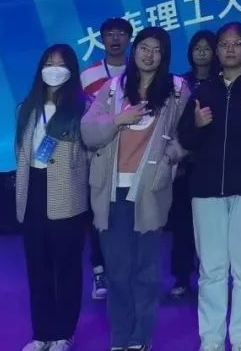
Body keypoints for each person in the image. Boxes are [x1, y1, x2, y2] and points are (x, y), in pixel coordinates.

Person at [82, 26, 190, 351]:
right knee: (117, 272)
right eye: (144, 47)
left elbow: (187, 135)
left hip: (149, 192)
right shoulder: (114, 88)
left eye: (157, 50)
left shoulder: (176, 90)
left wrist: (171, 156)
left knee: (145, 272)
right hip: (111, 191)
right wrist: (118, 120)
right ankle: (120, 337)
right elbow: (88, 131)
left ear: (164, 55)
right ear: (135, 50)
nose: (149, 55)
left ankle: (140, 338)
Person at [177, 22, 241, 351]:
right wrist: (196, 125)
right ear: (216, 50)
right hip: (206, 190)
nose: (230, 49)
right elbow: (186, 139)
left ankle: (240, 339)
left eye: (237, 43)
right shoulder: (203, 89)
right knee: (211, 269)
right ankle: (210, 339)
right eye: (224, 44)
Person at [16, 44, 90, 351]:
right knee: (38, 268)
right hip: (33, 191)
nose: (54, 69)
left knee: (67, 268)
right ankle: (42, 333)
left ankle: (64, 333)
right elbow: (21, 153)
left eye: (60, 64)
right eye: (48, 63)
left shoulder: (82, 108)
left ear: (71, 70)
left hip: (68, 196)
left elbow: (90, 153)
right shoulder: (26, 108)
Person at [80, 16, 133, 300]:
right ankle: (99, 270)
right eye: (110, 33)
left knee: (129, 218)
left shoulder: (139, 71)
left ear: (129, 39)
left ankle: (127, 272)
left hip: (132, 155)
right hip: (98, 155)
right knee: (99, 216)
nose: (115, 38)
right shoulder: (88, 75)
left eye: (121, 33)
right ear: (101, 39)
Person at [168, 29, 219, 299]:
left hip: (213, 164)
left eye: (206, 48)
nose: (201, 53)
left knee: (211, 227)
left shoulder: (222, 82)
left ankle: (210, 276)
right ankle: (181, 276)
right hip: (184, 166)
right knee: (183, 225)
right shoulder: (180, 83)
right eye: (197, 48)